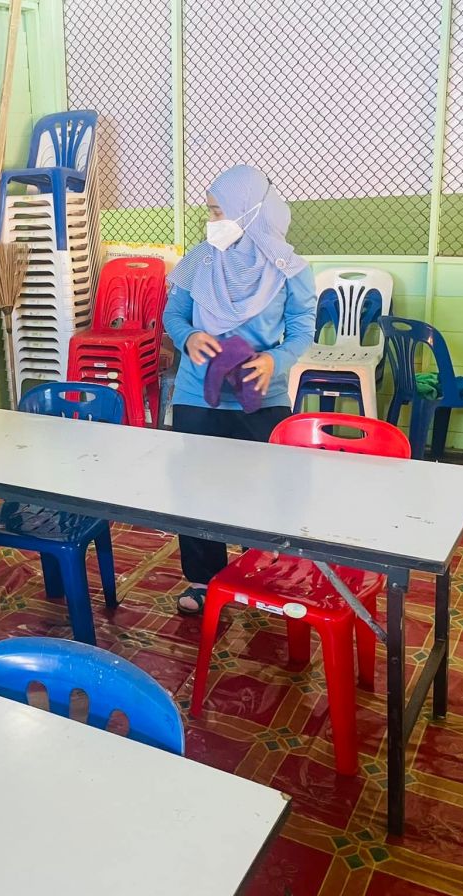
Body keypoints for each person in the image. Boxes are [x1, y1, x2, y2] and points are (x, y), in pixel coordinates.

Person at [162, 164, 317, 615]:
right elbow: (174, 315)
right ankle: (204, 580)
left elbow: (302, 330)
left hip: (262, 396)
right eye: (210, 211)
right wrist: (189, 337)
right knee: (195, 491)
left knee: (266, 491)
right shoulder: (200, 259)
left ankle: (260, 574)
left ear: (248, 211)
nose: (211, 221)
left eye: (217, 211)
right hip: (197, 394)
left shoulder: (290, 270)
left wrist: (275, 361)